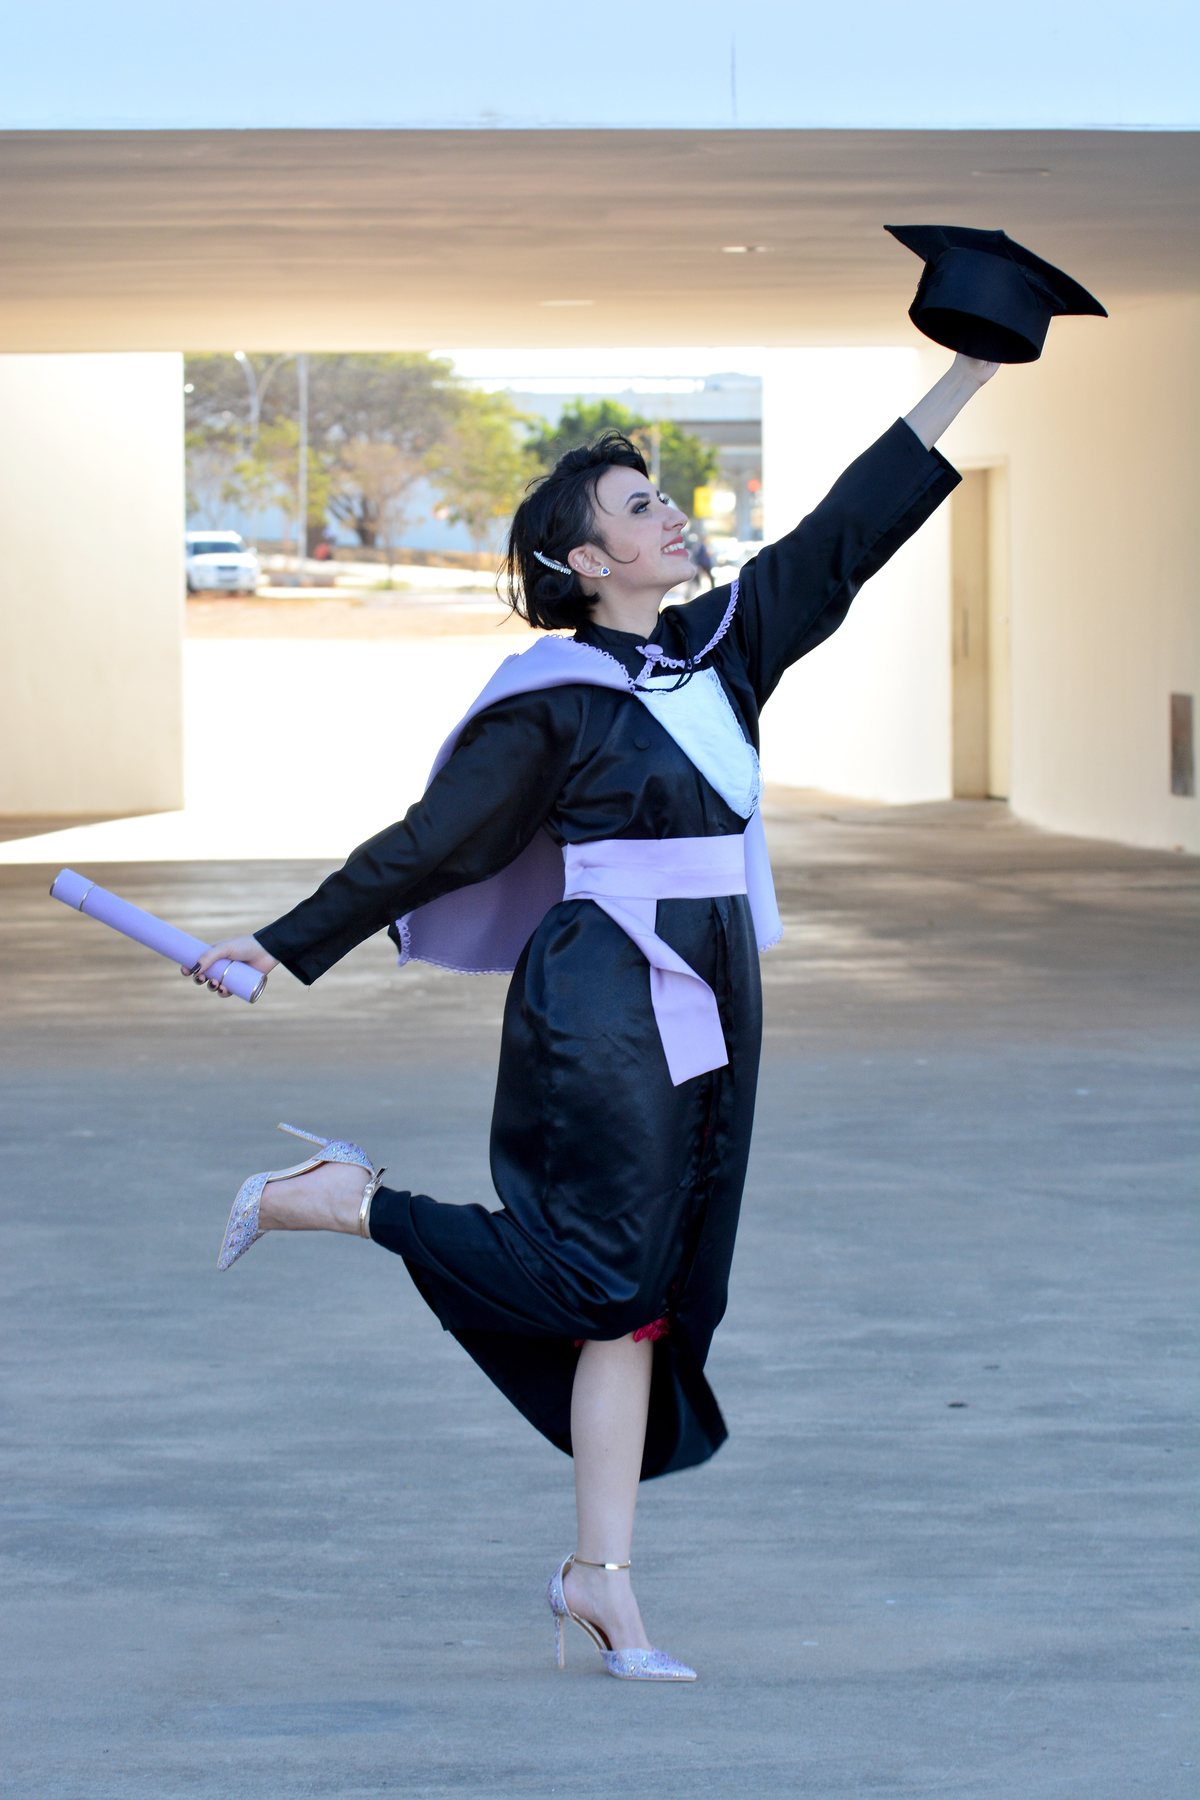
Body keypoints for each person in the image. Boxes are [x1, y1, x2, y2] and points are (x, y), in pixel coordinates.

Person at [195, 352, 998, 1681]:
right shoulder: (553, 704)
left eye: (662, 498)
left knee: (652, 1300)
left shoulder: (722, 650)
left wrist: (967, 368)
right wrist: (280, 944)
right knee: (600, 1277)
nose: (669, 515)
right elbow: (432, 845)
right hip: (604, 995)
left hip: (716, 983)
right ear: (586, 560)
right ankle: (349, 1201)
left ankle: (602, 1583)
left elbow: (846, 534)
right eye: (638, 507)